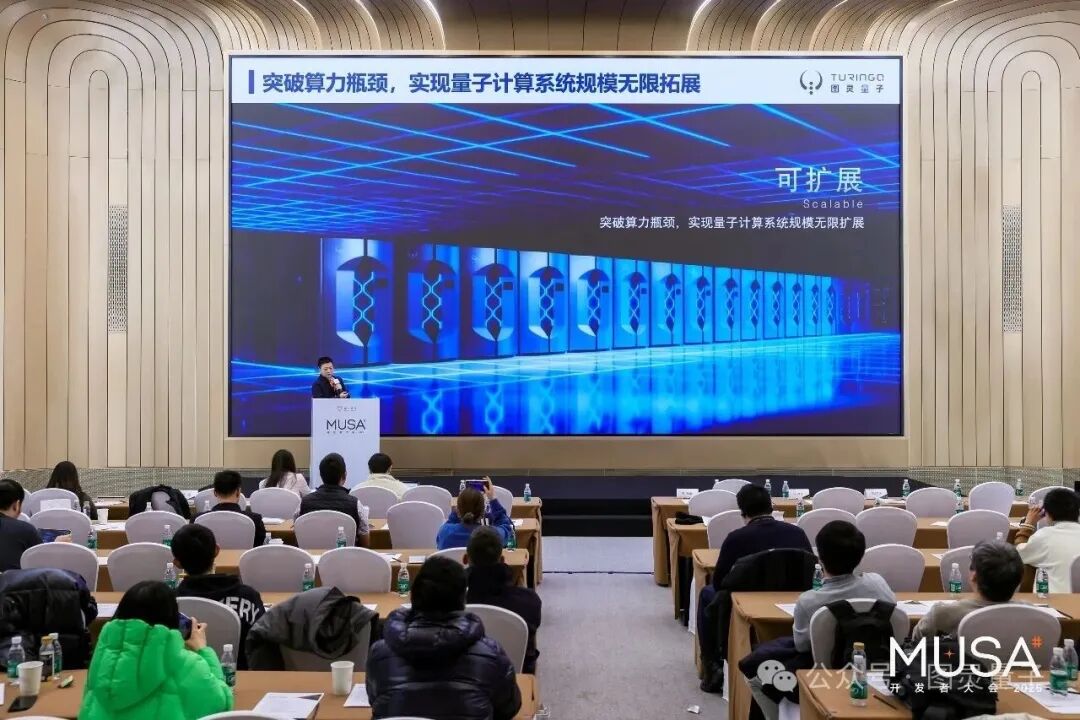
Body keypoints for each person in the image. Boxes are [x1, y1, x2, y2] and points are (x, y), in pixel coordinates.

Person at [366, 556, 521, 720]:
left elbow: (376, 703)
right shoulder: (491, 654)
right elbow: (509, 708)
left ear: (413, 595)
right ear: (463, 598)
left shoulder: (379, 654)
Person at [78, 580, 233, 720]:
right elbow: (221, 705)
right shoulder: (186, 664)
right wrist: (203, 650)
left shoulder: (101, 661)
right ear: (172, 619)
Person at [791, 520, 895, 652]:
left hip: (826, 664)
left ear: (820, 558)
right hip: (880, 657)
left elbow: (801, 647)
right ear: (861, 556)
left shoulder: (807, 601)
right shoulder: (878, 583)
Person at [172, 523, 265, 669]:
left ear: (176, 563)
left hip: (185, 675)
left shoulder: (168, 603)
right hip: (238, 676)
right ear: (216, 550)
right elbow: (262, 644)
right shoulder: (249, 597)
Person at [912, 540, 1025, 642]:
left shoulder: (941, 614)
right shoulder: (1030, 613)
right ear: (1019, 579)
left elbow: (916, 643)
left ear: (973, 576)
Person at [465, 526, 541, 673]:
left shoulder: (450, 605)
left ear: (466, 559)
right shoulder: (530, 602)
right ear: (502, 560)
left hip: (466, 677)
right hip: (515, 678)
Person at [1013, 488, 1080, 593]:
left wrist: (1028, 524)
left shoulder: (1044, 536)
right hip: (1075, 600)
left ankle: (1025, 597)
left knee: (1030, 562)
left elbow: (1019, 553)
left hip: (1054, 600)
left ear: (1047, 514)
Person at [298, 453, 370, 546]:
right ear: (344, 476)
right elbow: (365, 543)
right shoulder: (355, 504)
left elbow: (297, 532)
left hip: (311, 555)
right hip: (344, 555)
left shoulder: (303, 503)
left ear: (321, 475)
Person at [195, 470, 266, 547]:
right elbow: (257, 546)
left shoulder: (197, 519)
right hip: (243, 555)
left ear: (215, 492)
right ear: (238, 492)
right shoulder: (255, 520)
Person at [437, 478, 513, 550]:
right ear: (483, 513)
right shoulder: (493, 535)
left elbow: (449, 524)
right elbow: (507, 528)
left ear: (458, 511)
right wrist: (492, 499)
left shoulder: (445, 532)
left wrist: (460, 504)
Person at [0, 478, 42, 571]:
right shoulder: (25, 529)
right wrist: (54, 544)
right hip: (12, 580)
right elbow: (41, 561)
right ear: (17, 505)